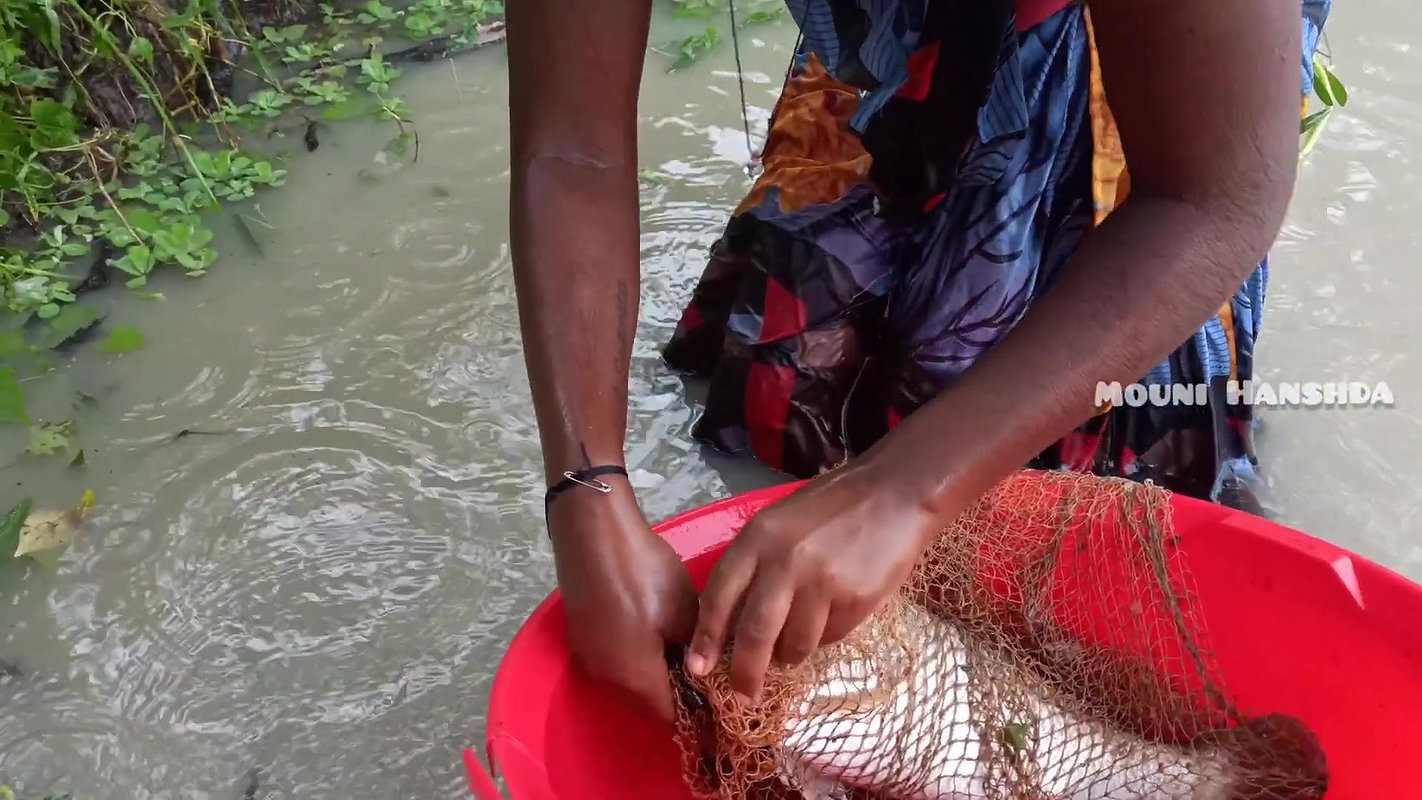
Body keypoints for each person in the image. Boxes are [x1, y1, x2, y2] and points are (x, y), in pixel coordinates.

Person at [506, 0, 1331, 722]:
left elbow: (1213, 196)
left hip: (1156, 109)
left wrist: (907, 489)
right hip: (893, 66)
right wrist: (586, 492)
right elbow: (572, 153)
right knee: (789, 414)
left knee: (1106, 512)